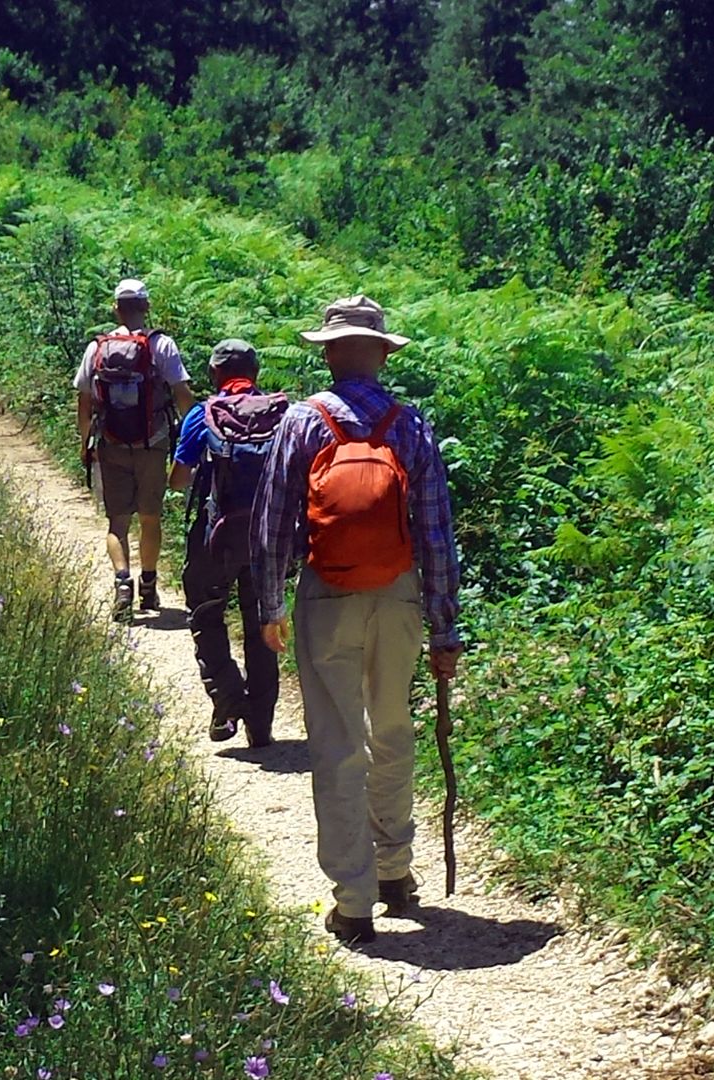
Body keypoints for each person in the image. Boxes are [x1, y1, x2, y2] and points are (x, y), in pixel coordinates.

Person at [251, 295, 463, 945]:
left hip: (328, 596)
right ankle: (397, 871)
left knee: (340, 744)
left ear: (330, 352)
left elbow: (274, 523)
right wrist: (444, 626)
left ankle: (354, 900)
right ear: (380, 353)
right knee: (392, 729)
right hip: (398, 595)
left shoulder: (301, 421)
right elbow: (434, 532)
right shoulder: (410, 423)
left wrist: (270, 604)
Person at [169, 339, 287, 748]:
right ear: (255, 373)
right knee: (263, 625)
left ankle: (227, 697)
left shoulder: (204, 415)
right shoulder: (279, 415)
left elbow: (179, 479)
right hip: (267, 538)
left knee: (205, 613)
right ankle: (262, 723)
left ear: (215, 375)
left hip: (214, 535)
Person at [76, 278, 195, 620]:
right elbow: (183, 395)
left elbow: (84, 405)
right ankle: (148, 586)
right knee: (150, 517)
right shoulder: (162, 345)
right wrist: (195, 434)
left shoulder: (96, 348)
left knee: (117, 522)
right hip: (152, 444)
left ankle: (122, 583)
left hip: (111, 444)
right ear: (146, 307)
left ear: (116, 308)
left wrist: (85, 444)